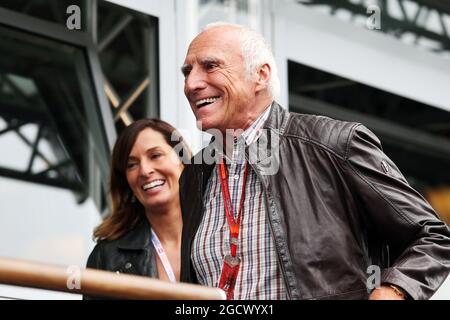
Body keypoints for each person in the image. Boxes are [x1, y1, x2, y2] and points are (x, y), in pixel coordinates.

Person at [178, 22, 450, 300]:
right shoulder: (195, 174)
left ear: (261, 75)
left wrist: (395, 290)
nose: (191, 84)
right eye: (187, 72)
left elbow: (433, 236)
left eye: (210, 66)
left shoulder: (335, 144)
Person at [85, 119, 191, 298]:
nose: (145, 170)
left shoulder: (223, 233)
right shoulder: (106, 256)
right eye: (132, 164)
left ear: (182, 160)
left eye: (155, 155)